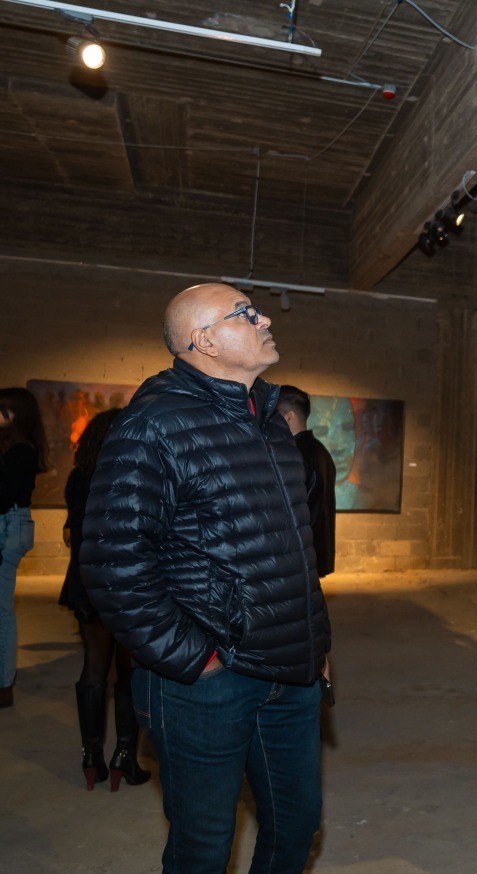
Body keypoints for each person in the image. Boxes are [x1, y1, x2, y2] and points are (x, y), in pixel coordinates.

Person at [81, 283, 331, 873]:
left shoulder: (272, 423)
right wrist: (196, 659)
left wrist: (314, 639)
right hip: (206, 682)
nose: (265, 319)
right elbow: (113, 563)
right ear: (205, 341)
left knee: (296, 826)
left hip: (291, 670)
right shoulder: (153, 425)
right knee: (204, 847)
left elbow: (294, 549)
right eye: (247, 314)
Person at [60, 407, 152, 791]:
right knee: (128, 671)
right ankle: (124, 756)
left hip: (87, 581)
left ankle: (91, 758)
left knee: (94, 668)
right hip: (127, 583)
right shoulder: (131, 476)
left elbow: (73, 531)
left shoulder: (78, 478)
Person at [0, 386, 49, 709]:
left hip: (8, 526)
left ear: (13, 415)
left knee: (2, 612)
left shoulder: (21, 451)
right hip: (9, 524)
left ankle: (4, 684)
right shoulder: (15, 448)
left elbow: (6, 496)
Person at [277, 385, 337, 577]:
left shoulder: (292, 454)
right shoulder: (321, 451)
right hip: (313, 552)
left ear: (289, 418)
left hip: (296, 555)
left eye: (273, 417)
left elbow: (287, 509)